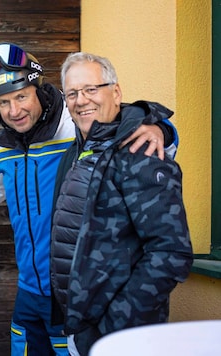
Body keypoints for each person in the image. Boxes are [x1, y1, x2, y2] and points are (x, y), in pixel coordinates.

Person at [0, 43, 176, 356]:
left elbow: (123, 129)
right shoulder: (7, 145)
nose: (14, 111)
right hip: (29, 292)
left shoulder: (76, 128)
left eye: (21, 97)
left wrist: (161, 128)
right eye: (3, 102)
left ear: (39, 92)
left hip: (74, 297)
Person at [50, 52, 193, 356]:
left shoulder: (140, 152)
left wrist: (110, 332)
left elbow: (170, 253)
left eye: (91, 89)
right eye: (73, 93)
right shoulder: (83, 148)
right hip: (81, 328)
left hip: (120, 338)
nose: (81, 100)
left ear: (115, 92)